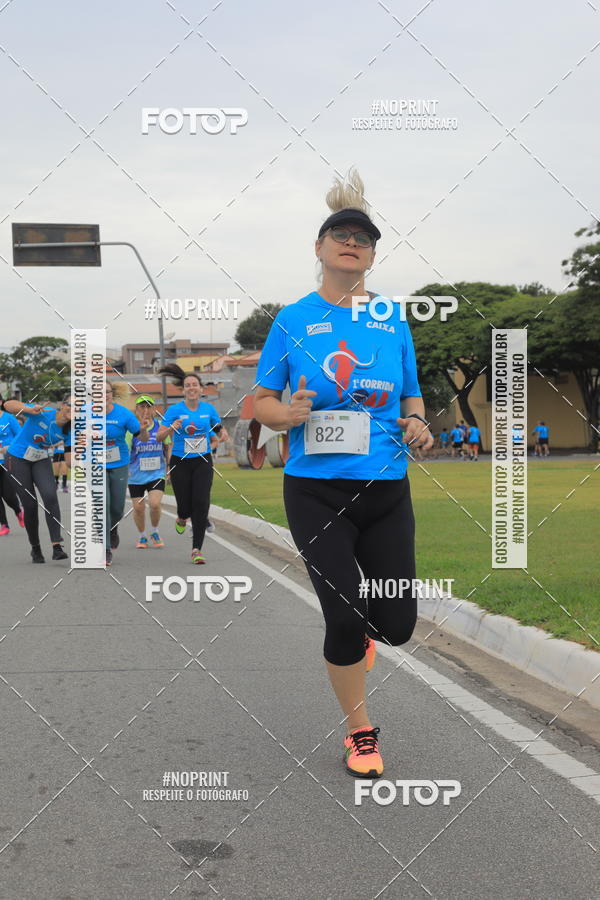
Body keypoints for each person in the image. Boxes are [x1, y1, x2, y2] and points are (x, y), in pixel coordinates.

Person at [254, 168, 433, 778]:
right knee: (344, 615)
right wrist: (289, 412)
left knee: (397, 625)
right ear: (320, 248)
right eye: (340, 234)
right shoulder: (292, 320)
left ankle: (364, 643)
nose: (351, 242)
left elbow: (411, 396)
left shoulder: (391, 319)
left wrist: (418, 422)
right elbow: (262, 405)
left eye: (363, 237)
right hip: (316, 490)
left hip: (386, 487)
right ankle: (360, 730)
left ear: (372, 255)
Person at [156, 365, 222, 564]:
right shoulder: (174, 410)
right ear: (183, 390)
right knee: (184, 505)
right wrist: (171, 428)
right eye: (188, 385)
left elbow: (217, 426)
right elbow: (159, 436)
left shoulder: (208, 409)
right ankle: (181, 516)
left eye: (195, 385)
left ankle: (196, 549)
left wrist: (222, 433)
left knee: (201, 503)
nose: (192, 388)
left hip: (203, 461)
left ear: (201, 389)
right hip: (180, 462)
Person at [1, 394, 71, 562]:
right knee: (30, 504)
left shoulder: (74, 428)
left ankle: (56, 546)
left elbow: (70, 458)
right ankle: (35, 548)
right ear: (62, 405)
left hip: (40, 459)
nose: (74, 409)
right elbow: (8, 405)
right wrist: (28, 409)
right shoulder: (43, 412)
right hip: (17, 459)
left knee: (50, 496)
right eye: (71, 405)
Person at [100, 381, 146, 566]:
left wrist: (143, 429)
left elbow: (142, 437)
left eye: (107, 392)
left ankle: (113, 528)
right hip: (96, 465)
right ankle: (105, 549)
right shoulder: (86, 414)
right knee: (103, 504)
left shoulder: (124, 414)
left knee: (117, 508)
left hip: (119, 463)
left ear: (112, 394)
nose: (103, 395)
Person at [127, 395, 169, 549]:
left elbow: (167, 446)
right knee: (138, 508)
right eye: (142, 407)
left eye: (148, 407)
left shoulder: (160, 426)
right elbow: (125, 450)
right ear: (137, 410)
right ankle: (142, 536)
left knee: (155, 504)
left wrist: (169, 466)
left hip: (156, 473)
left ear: (153, 410)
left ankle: (155, 531)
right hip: (135, 475)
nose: (145, 410)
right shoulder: (131, 428)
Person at [0, 407, 24, 535]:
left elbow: (20, 436)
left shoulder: (9, 418)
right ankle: (4, 524)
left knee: (8, 495)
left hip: (7, 459)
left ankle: (18, 511)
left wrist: (10, 447)